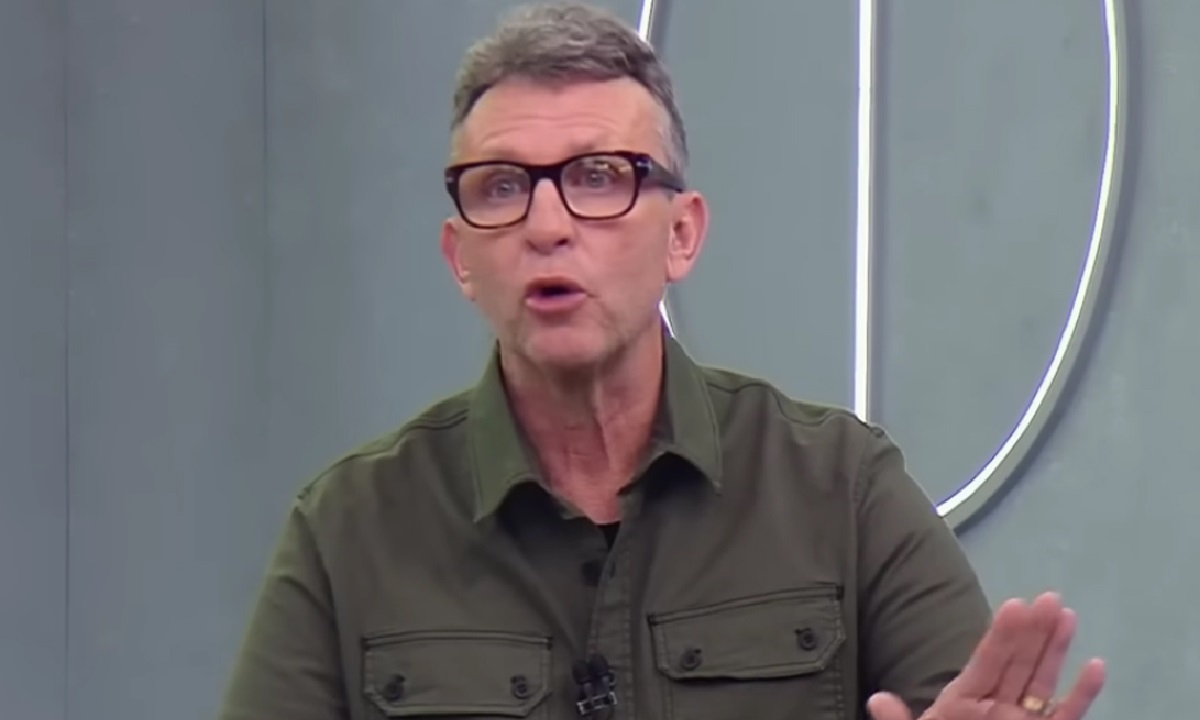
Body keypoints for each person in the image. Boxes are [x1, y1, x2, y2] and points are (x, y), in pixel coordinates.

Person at [217, 3, 1107, 720]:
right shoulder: (349, 533)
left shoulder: (840, 492)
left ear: (682, 234)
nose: (548, 225)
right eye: (502, 188)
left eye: (598, 177)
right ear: (460, 258)